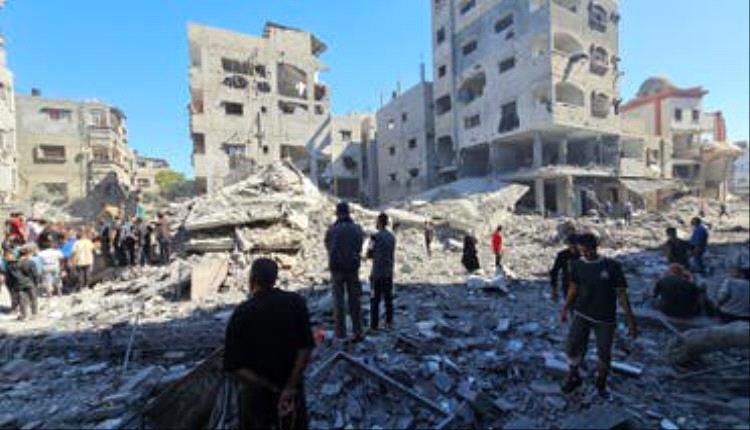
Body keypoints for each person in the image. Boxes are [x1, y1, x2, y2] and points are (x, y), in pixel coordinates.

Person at [224, 258, 314, 430]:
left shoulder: (242, 313)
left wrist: (270, 388)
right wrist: (289, 387)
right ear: (275, 278)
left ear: (252, 279)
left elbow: (233, 366)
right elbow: (305, 348)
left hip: (257, 401)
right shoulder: (295, 303)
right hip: (291, 397)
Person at [560, 233, 638, 397]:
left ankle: (601, 382)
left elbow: (622, 294)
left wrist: (631, 320)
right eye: (582, 251)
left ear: (596, 248)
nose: (585, 254)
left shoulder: (612, 266)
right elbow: (573, 287)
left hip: (605, 317)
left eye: (588, 250)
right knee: (572, 345)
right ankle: (574, 375)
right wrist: (565, 308)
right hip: (582, 313)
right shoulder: (576, 265)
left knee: (604, 352)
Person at [324, 202, 365, 342]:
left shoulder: (332, 230)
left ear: (337, 213)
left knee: (339, 301)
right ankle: (358, 331)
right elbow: (359, 246)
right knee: (355, 300)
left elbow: (328, 246)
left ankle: (340, 333)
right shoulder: (357, 229)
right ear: (348, 213)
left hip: (337, 269)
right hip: (352, 268)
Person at [367, 213, 396, 331]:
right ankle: (389, 322)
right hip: (388, 272)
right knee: (388, 299)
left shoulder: (374, 237)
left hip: (377, 273)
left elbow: (369, 253)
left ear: (379, 222)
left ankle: (374, 325)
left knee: (375, 299)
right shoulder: (392, 237)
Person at [6, 245, 39, 320]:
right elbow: (35, 275)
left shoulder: (12, 264)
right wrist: (36, 283)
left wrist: (11, 286)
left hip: (18, 284)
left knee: (22, 300)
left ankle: (24, 315)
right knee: (33, 298)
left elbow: (9, 277)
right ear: (27, 254)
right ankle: (34, 314)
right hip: (29, 283)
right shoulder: (30, 262)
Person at [549, 234, 580, 302]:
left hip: (583, 286)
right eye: (571, 244)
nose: (573, 247)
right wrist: (554, 289)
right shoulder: (563, 255)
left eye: (575, 244)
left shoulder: (584, 254)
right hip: (568, 285)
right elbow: (554, 272)